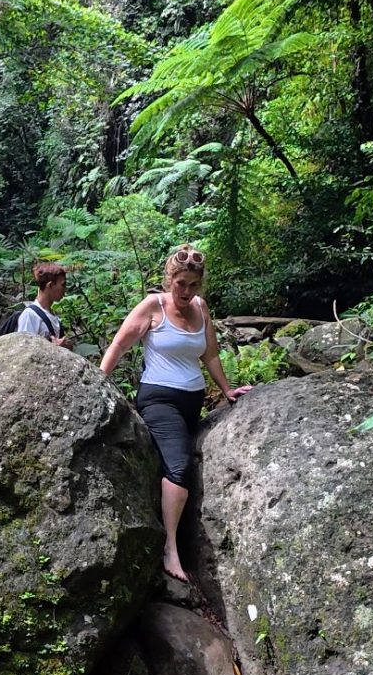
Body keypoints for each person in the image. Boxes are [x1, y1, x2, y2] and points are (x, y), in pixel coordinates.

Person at [99, 244, 251, 582]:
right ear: (170, 279)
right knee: (179, 466)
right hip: (158, 398)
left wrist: (226, 389)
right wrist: (98, 381)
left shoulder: (200, 307)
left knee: (177, 464)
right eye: (180, 283)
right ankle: (170, 550)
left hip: (191, 399)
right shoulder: (154, 306)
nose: (185, 291)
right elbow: (120, 345)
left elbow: (210, 354)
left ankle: (174, 533)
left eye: (192, 285)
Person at [17, 262, 73, 348]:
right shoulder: (30, 316)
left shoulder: (53, 315)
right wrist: (54, 347)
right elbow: (23, 349)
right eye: (63, 285)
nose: (64, 289)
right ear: (50, 285)